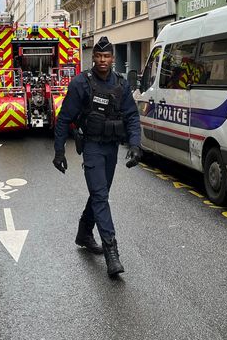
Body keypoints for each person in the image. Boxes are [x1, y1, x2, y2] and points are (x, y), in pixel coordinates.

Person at [52, 36, 142, 278]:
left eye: (107, 56)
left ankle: (83, 233)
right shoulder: (81, 83)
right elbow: (64, 119)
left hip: (111, 148)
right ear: (93, 58)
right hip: (91, 146)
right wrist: (59, 151)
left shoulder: (121, 85)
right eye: (99, 56)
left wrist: (135, 144)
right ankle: (112, 252)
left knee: (99, 193)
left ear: (113, 58)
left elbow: (132, 116)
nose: (103, 61)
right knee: (101, 195)